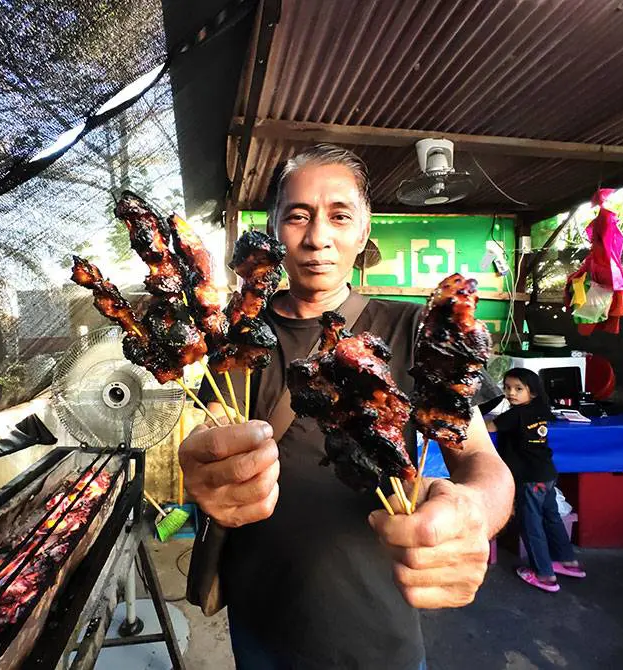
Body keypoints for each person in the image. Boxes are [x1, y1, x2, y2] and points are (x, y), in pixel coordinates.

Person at [180, 144, 514, 668]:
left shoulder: (414, 331)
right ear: (274, 230)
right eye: (297, 216)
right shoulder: (237, 337)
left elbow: (481, 464)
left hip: (380, 630)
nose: (317, 238)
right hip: (259, 621)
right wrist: (199, 476)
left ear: (363, 230)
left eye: (339, 216)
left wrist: (474, 513)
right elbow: (205, 443)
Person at [485, 368, 586, 593]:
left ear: (533, 392)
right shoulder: (539, 411)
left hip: (529, 478)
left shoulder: (514, 415)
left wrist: (473, 413)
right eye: (508, 387)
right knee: (552, 518)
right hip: (547, 475)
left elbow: (487, 428)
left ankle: (544, 574)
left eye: (518, 389)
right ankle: (567, 561)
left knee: (531, 524)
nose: (511, 393)